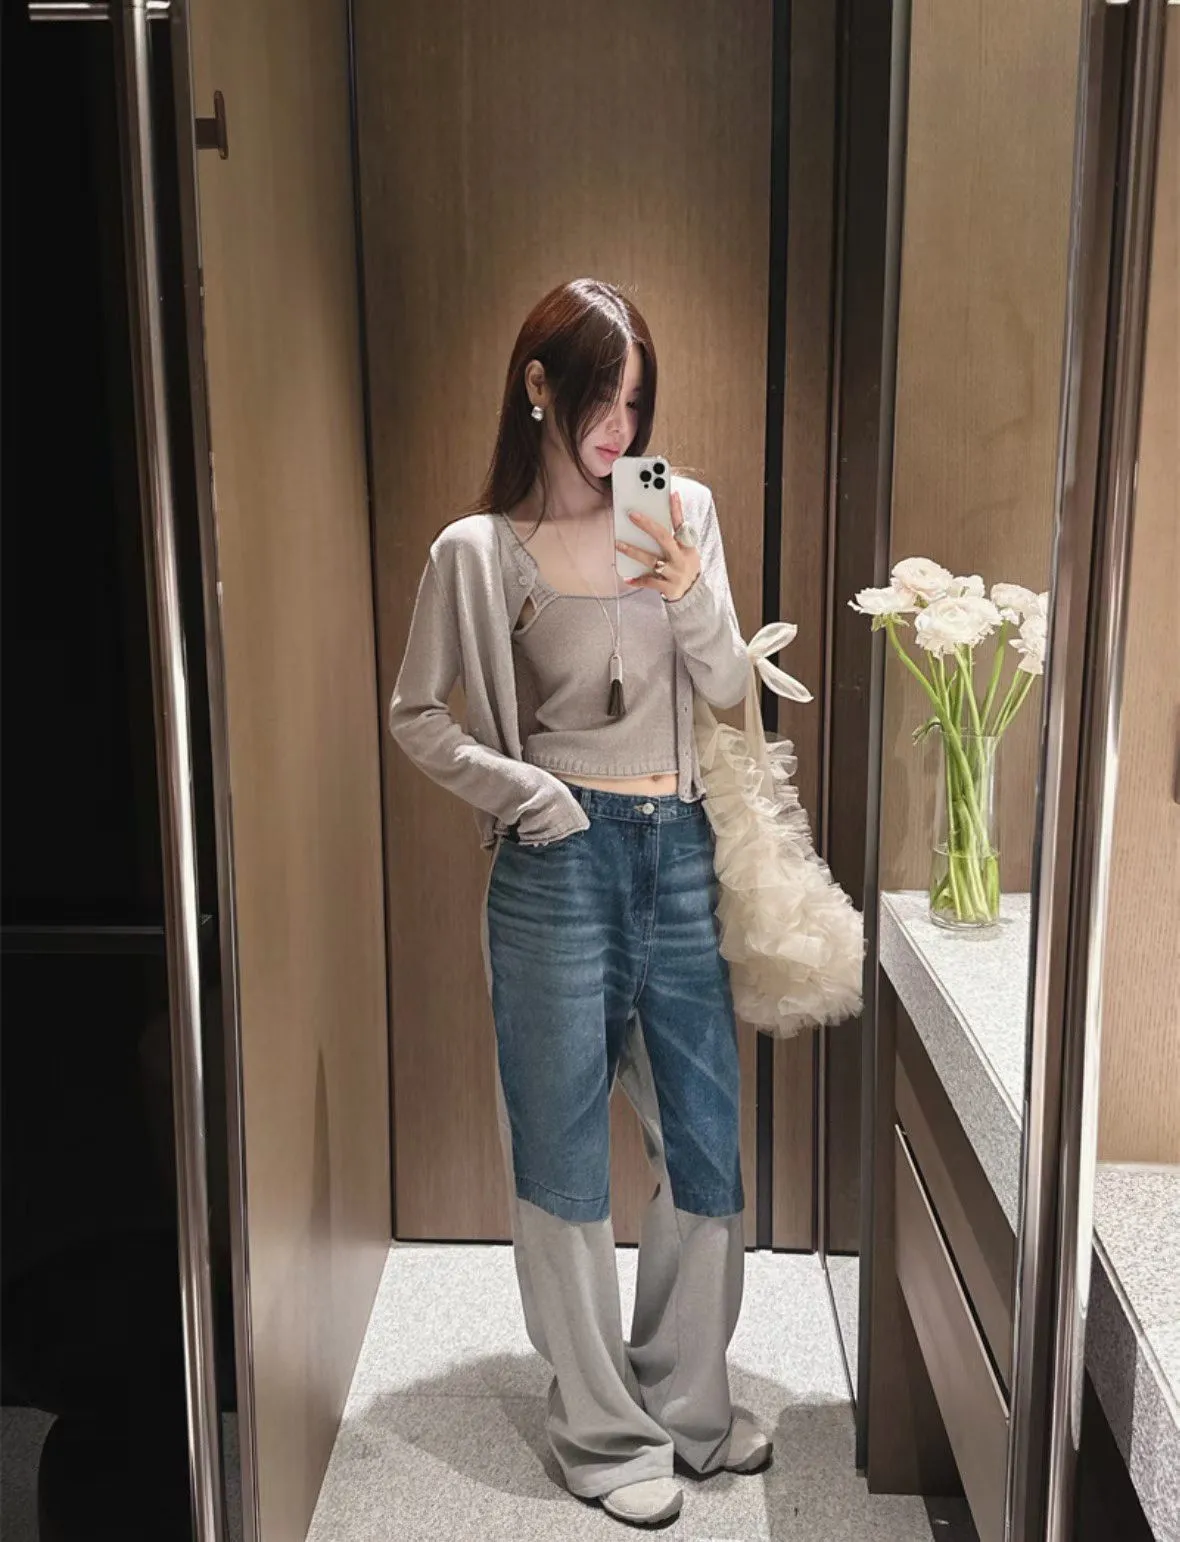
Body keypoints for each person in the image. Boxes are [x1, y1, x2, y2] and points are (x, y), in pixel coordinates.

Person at [388, 277, 773, 1528]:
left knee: (704, 1141)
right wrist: (527, 793)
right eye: (601, 397)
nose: (620, 426)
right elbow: (418, 714)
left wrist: (687, 586)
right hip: (558, 861)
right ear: (538, 386)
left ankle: (688, 1407)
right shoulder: (478, 549)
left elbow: (725, 681)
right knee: (560, 1153)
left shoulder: (675, 507)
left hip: (681, 849)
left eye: (637, 401)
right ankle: (603, 1431)